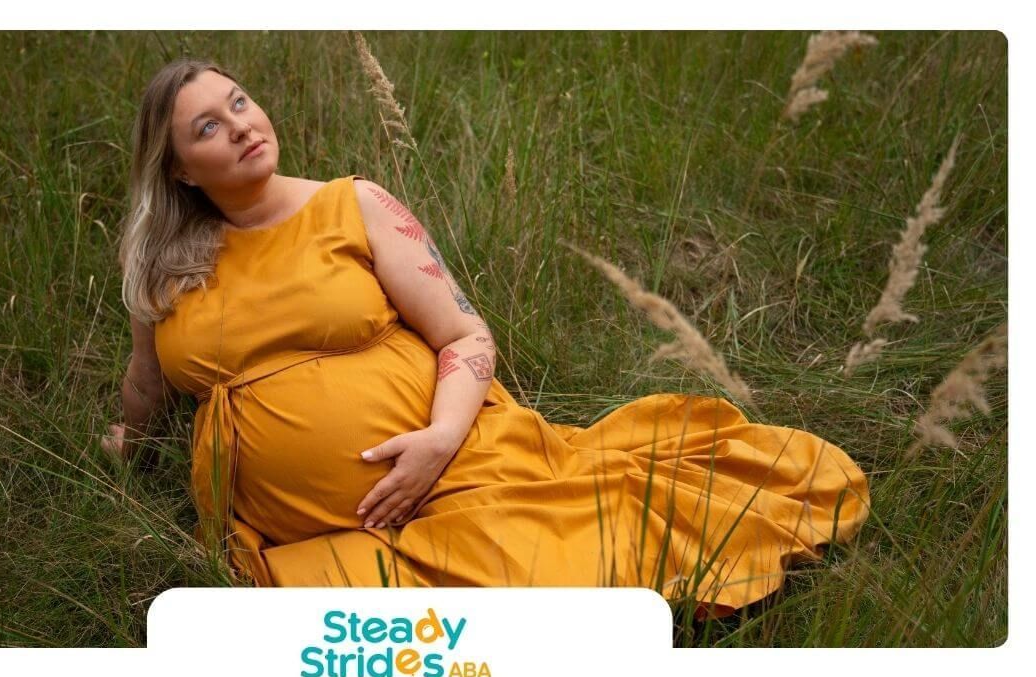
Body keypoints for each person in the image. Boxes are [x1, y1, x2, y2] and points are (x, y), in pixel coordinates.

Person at [101, 58, 871, 620]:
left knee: (550, 582)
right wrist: (125, 446)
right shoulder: (166, 265)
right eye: (209, 126)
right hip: (290, 532)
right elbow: (149, 379)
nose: (240, 125)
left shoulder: (353, 204)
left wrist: (437, 439)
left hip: (449, 465)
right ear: (180, 172)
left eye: (240, 103)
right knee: (393, 650)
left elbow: (465, 334)